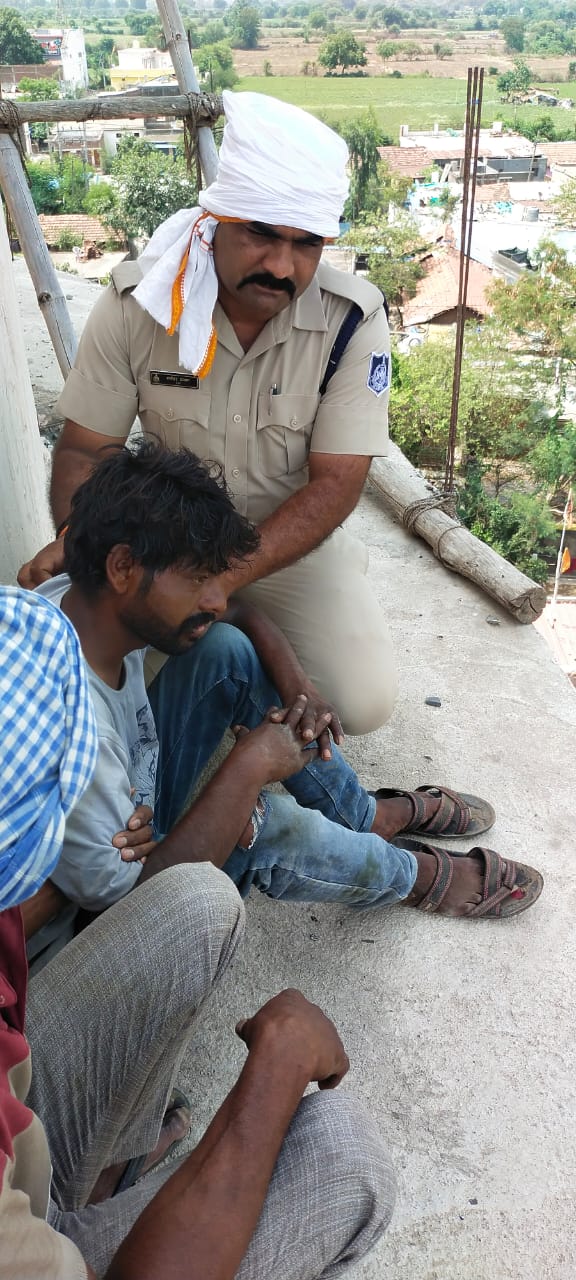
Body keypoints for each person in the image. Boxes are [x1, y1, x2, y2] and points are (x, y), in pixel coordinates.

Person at [0, 584, 397, 1280]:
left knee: (196, 897)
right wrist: (272, 1077)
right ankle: (411, 873)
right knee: (345, 1155)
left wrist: (68, 877)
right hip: (31, 1239)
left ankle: (100, 1176)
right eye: (58, 807)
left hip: (18, 1123)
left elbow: (229, 602)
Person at [27, 441, 543, 969]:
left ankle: (362, 817)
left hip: (121, 818)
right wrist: (248, 769)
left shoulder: (76, 596)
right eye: (198, 579)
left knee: (222, 648)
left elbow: (240, 615)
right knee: (256, 820)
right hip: (96, 926)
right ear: (121, 567)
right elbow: (125, 904)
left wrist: (296, 681)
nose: (214, 598)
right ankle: (412, 877)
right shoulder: (78, 736)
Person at [19, 90, 397, 735]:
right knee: (81, 684)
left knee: (360, 704)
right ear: (216, 218)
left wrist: (221, 581)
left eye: (306, 244)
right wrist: (83, 548)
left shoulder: (351, 322)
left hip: (286, 543)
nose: (281, 265)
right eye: (260, 234)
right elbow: (86, 450)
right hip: (163, 542)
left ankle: (323, 581)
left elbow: (338, 481)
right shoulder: (141, 304)